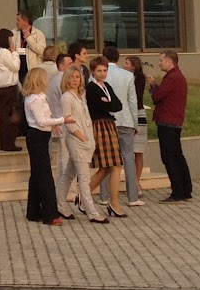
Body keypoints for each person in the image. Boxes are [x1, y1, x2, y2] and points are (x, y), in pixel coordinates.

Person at [57, 64, 109, 224]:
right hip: (77, 140)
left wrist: (88, 138)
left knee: (68, 175)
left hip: (86, 139)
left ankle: (59, 205)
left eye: (77, 77)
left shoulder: (80, 96)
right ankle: (92, 212)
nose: (75, 80)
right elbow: (68, 121)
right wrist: (82, 137)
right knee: (84, 178)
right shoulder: (67, 97)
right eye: (72, 77)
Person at [21, 67, 68, 226]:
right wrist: (62, 120)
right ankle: (50, 214)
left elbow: (43, 118)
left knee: (37, 174)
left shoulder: (36, 97)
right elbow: (41, 121)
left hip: (39, 135)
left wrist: (53, 124)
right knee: (44, 175)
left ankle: (34, 212)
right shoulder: (36, 99)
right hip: (38, 137)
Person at [85, 56, 128, 218]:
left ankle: (84, 195)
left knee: (108, 167)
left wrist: (107, 104)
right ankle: (114, 202)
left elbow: (118, 105)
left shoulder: (107, 86)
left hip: (109, 124)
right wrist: (107, 104)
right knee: (114, 164)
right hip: (100, 126)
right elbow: (100, 106)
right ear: (92, 72)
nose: (102, 74)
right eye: (99, 71)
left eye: (104, 70)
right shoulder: (91, 88)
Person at [149, 49, 192, 202]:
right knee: (177, 155)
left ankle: (178, 191)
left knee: (170, 157)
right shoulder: (176, 76)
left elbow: (157, 96)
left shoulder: (172, 78)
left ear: (169, 61)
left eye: (161, 60)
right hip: (174, 121)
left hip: (168, 121)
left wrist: (153, 86)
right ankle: (185, 189)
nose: (159, 63)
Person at [103, 46, 143, 206]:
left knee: (107, 158)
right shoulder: (127, 75)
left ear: (104, 57)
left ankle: (104, 196)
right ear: (118, 58)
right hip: (125, 120)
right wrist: (135, 123)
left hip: (106, 121)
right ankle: (133, 197)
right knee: (128, 157)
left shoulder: (99, 74)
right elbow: (132, 101)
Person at [0, 27, 24, 153]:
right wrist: (14, 53)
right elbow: (15, 66)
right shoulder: (4, 52)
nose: (12, 41)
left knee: (4, 115)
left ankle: (5, 141)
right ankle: (8, 142)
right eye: (10, 38)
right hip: (8, 87)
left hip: (0, 87)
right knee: (10, 115)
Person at [126, 55, 151, 192]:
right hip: (127, 114)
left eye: (127, 63)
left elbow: (136, 95)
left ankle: (136, 181)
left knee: (138, 150)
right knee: (129, 150)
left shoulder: (140, 78)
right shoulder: (124, 77)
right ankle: (131, 181)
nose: (124, 65)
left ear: (133, 66)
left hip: (138, 113)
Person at [17, 10, 46, 81]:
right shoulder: (13, 33)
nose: (16, 22)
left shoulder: (39, 34)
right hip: (17, 71)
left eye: (18, 20)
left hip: (32, 71)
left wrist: (29, 38)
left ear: (26, 21)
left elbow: (42, 51)